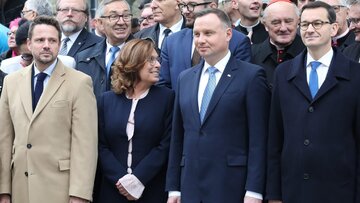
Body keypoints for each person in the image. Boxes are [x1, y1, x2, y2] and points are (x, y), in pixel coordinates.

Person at [166, 8, 270, 203]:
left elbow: (258, 139)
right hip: (190, 186)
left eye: (208, 33)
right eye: (196, 34)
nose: (201, 40)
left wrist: (254, 190)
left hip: (232, 186)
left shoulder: (251, 76)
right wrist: (174, 188)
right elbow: (178, 136)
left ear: (228, 34)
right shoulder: (185, 78)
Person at [267, 2, 360, 202]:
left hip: (339, 190)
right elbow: (275, 137)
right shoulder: (283, 73)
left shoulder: (355, 75)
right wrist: (274, 194)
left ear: (333, 28)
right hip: (294, 189)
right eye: (305, 24)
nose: (310, 29)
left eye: (317, 23)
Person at [0, 16, 97, 203]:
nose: (46, 45)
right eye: (40, 40)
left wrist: (79, 194)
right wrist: (4, 191)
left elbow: (85, 145)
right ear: (28, 44)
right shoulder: (11, 82)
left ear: (59, 44)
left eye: (52, 40)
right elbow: (4, 139)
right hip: (20, 188)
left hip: (60, 190)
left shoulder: (79, 83)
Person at [98, 38, 174, 203]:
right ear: (134, 63)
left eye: (157, 59)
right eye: (151, 60)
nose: (158, 65)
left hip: (152, 189)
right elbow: (101, 146)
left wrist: (138, 178)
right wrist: (121, 180)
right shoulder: (107, 100)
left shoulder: (167, 98)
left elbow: (165, 145)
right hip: (113, 191)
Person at [159, 0, 252, 89]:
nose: (185, 11)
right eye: (183, 5)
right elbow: (163, 87)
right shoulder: (171, 41)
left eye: (192, 5)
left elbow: (241, 86)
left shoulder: (238, 41)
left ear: (212, 7)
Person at [75, 0, 134, 100]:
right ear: (100, 23)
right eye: (114, 16)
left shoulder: (143, 53)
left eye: (126, 16)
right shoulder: (83, 58)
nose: (121, 22)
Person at [251, 0, 305, 85]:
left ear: (298, 22)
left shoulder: (310, 52)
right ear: (265, 25)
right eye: (276, 23)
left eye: (288, 21)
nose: (283, 28)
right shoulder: (251, 54)